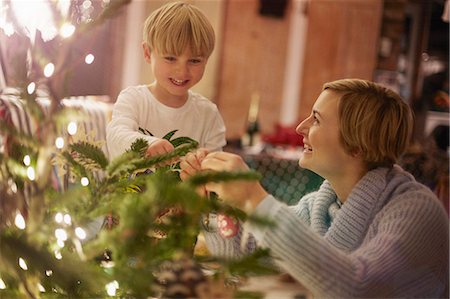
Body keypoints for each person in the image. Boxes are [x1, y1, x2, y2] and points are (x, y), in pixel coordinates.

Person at [180, 79, 449, 298]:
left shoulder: (415, 210)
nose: (300, 127)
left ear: (357, 145)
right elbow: (245, 256)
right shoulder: (322, 206)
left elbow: (357, 289)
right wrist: (218, 200)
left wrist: (254, 198)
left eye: (317, 120)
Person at [106, 1, 226, 160]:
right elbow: (116, 137)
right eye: (170, 58)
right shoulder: (133, 99)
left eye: (195, 61)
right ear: (148, 53)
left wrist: (206, 163)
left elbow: (217, 171)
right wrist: (147, 145)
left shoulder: (208, 114)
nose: (182, 71)